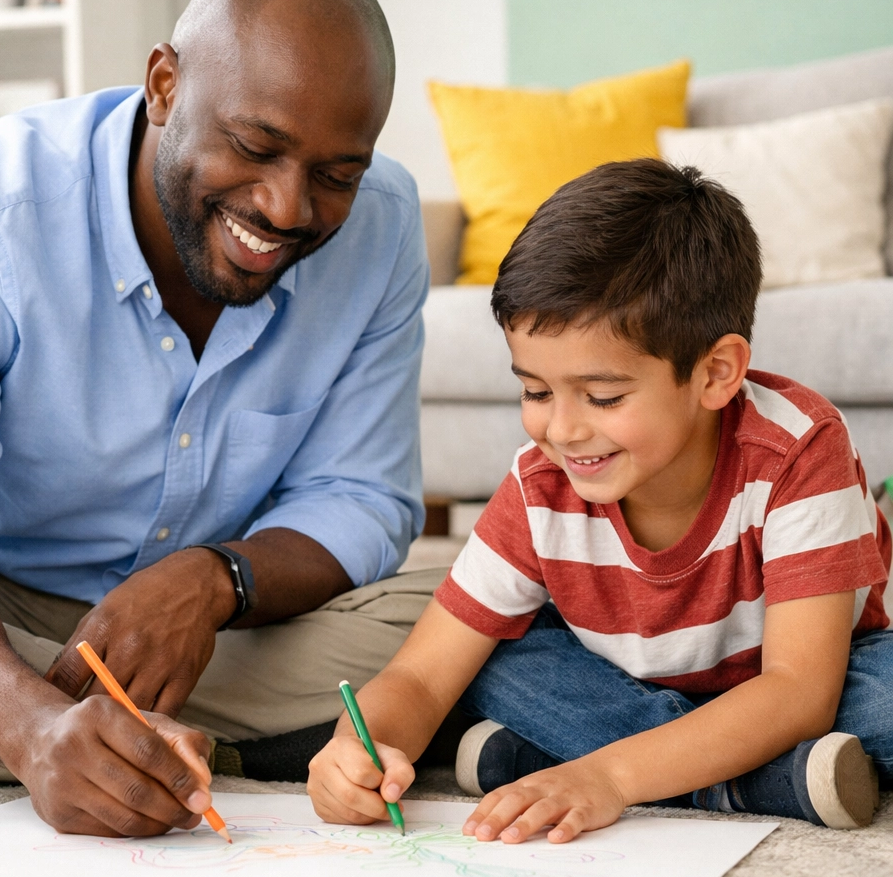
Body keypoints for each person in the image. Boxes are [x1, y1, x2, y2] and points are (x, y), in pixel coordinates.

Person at [0, 0, 439, 836]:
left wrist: (213, 583)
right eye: (256, 147)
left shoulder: (384, 225)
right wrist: (29, 724)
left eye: (336, 175)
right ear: (165, 87)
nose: (289, 209)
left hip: (224, 638)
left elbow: (362, 498)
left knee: (469, 614)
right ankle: (77, 740)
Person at [308, 158, 893, 841]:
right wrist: (356, 744)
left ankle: (557, 759)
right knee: (500, 663)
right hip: (621, 681)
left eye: (604, 397)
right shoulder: (539, 486)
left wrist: (608, 778)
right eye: (535, 391)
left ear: (717, 373)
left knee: (877, 698)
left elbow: (798, 690)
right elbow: (422, 677)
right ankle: (756, 780)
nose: (562, 429)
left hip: (801, 678)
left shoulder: (797, 449)